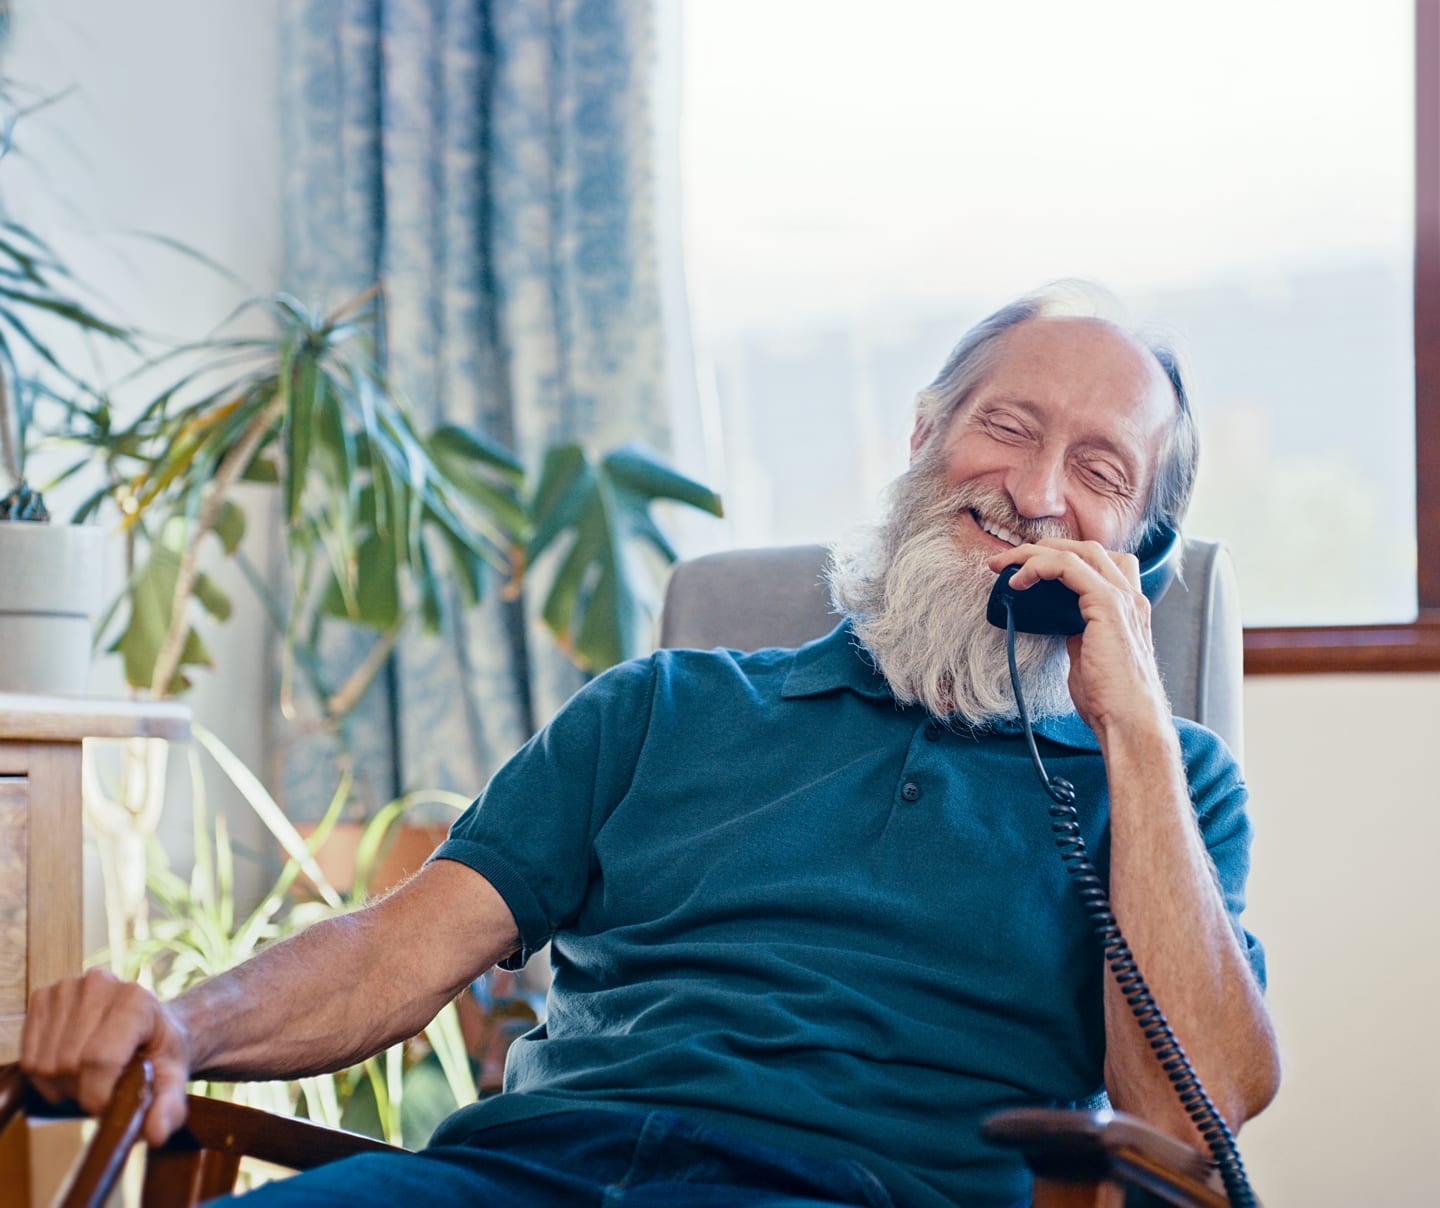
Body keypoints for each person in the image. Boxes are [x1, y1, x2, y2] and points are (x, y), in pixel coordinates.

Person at [20, 283, 1280, 1208]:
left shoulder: (1166, 788)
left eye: (1101, 468)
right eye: (1008, 426)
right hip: (518, 1178)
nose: (1038, 489)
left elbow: (1191, 1109)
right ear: (924, 441)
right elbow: (394, 951)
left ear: (1141, 555)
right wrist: (177, 1023)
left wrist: (1131, 731)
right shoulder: (664, 705)